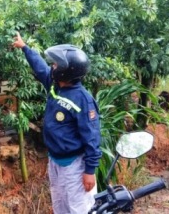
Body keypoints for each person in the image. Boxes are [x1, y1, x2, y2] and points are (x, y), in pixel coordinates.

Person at [12, 32, 102, 214]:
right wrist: (25, 48)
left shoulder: (83, 100)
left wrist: (90, 171)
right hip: (55, 161)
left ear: (66, 70)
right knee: (60, 206)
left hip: (75, 165)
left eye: (55, 64)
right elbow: (40, 68)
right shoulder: (56, 87)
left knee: (80, 209)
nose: (52, 67)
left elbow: (92, 137)